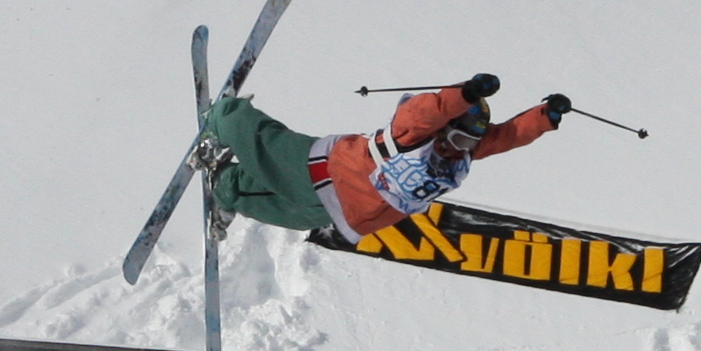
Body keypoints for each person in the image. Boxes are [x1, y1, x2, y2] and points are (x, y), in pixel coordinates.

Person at [195, 75, 568, 249]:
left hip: (341, 211)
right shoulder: (415, 132)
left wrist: (545, 117)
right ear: (443, 126)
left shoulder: (459, 154)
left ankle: (228, 188)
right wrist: (464, 93)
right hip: (326, 171)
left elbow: (506, 136)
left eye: (472, 139)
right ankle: (224, 118)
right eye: (458, 135)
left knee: (282, 211)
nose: (462, 146)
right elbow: (428, 110)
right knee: (266, 146)